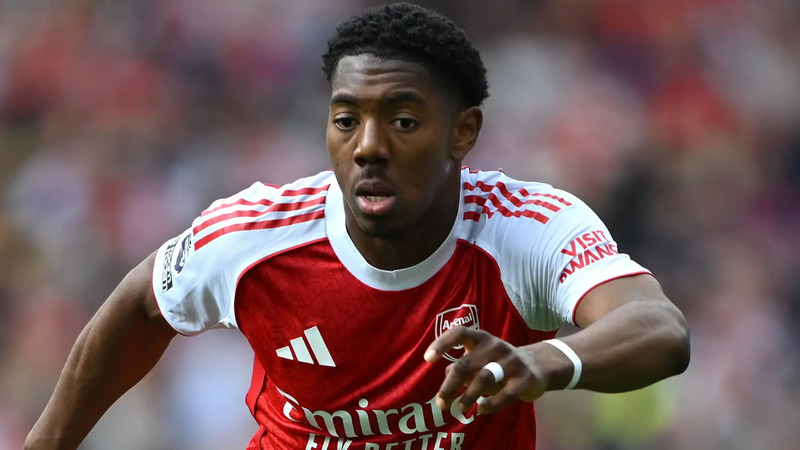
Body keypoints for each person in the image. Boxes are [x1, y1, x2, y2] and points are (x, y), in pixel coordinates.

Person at [25, 3, 690, 449]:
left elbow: (659, 327)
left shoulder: (525, 227)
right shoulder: (255, 236)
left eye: (403, 121)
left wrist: (549, 359)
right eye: (346, 120)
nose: (368, 146)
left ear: (463, 132)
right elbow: (144, 305)